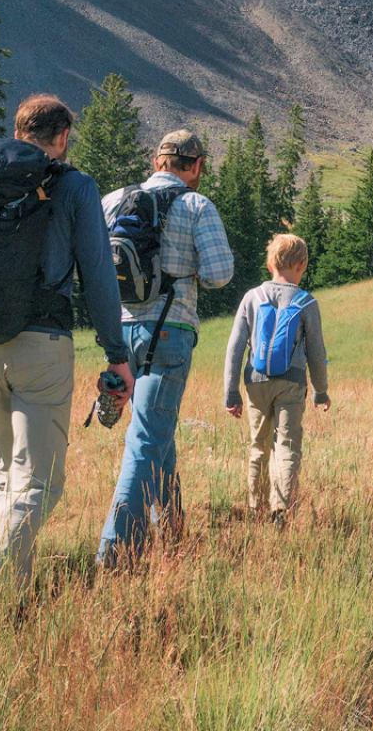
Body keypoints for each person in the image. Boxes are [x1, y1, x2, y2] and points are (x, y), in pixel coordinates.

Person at [0, 94, 131, 607]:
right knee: (40, 484)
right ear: (61, 137)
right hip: (41, 345)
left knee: (8, 478)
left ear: (18, 133)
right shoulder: (74, 186)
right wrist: (116, 352)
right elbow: (98, 275)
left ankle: (7, 606)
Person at [96, 129, 234, 566]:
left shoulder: (114, 199)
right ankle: (114, 555)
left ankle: (172, 529)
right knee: (146, 440)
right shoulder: (196, 205)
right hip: (170, 332)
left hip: (119, 331)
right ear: (195, 166)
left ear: (157, 161)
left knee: (158, 433)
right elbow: (219, 275)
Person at [223, 233, 330, 521]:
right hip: (291, 384)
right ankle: (280, 509)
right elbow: (316, 352)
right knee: (287, 445)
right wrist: (321, 390)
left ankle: (256, 507)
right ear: (302, 265)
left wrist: (230, 392)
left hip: (255, 382)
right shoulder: (306, 303)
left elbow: (234, 348)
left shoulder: (252, 297)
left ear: (270, 262)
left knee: (259, 444)